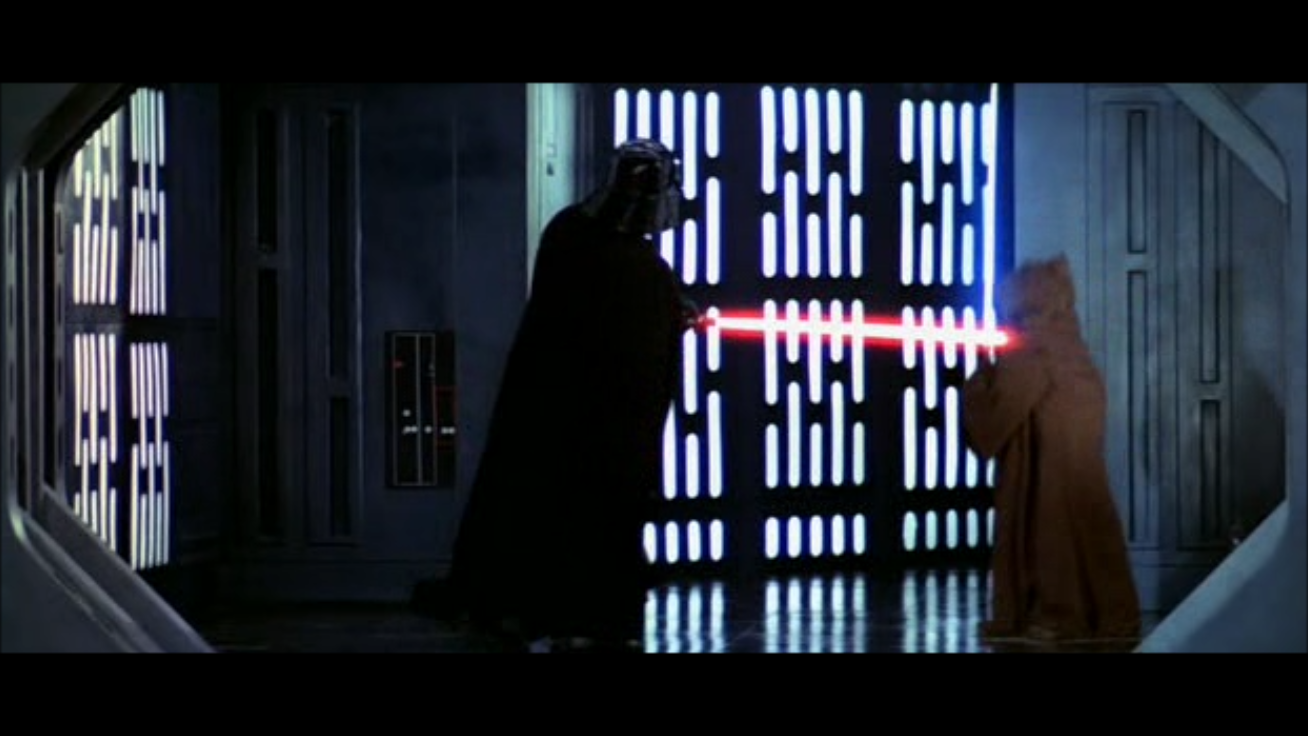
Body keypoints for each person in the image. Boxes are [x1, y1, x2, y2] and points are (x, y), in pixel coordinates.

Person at [443, 139, 700, 653]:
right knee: (596, 517)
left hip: (544, 406)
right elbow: (638, 344)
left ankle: (522, 607)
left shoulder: (568, 231)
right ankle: (586, 615)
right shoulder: (636, 264)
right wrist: (675, 317)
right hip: (605, 428)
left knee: (537, 504)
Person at [962, 254, 1142, 643]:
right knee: (1087, 524)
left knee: (1048, 525)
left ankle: (1059, 613)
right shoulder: (1070, 345)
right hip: (1076, 459)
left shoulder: (1034, 349)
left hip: (1054, 460)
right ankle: (1107, 614)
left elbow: (999, 405)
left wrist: (979, 385)